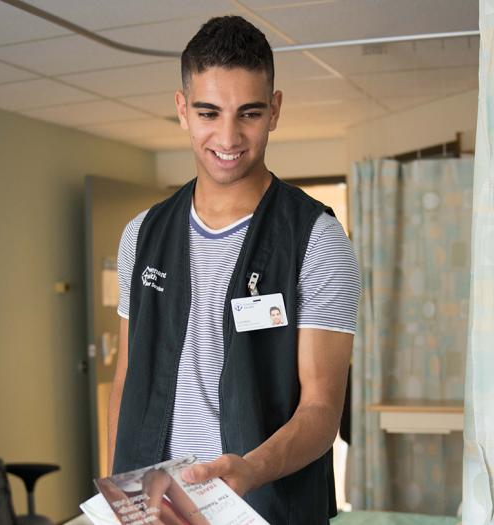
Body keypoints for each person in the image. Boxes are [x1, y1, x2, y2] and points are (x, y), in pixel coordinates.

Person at [108, 15, 360, 524]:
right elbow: (127, 381)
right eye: (208, 112)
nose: (228, 136)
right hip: (156, 506)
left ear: (275, 111)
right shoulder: (142, 235)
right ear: (182, 110)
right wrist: (122, 501)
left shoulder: (316, 239)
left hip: (265, 504)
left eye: (249, 113)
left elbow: (321, 409)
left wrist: (250, 468)